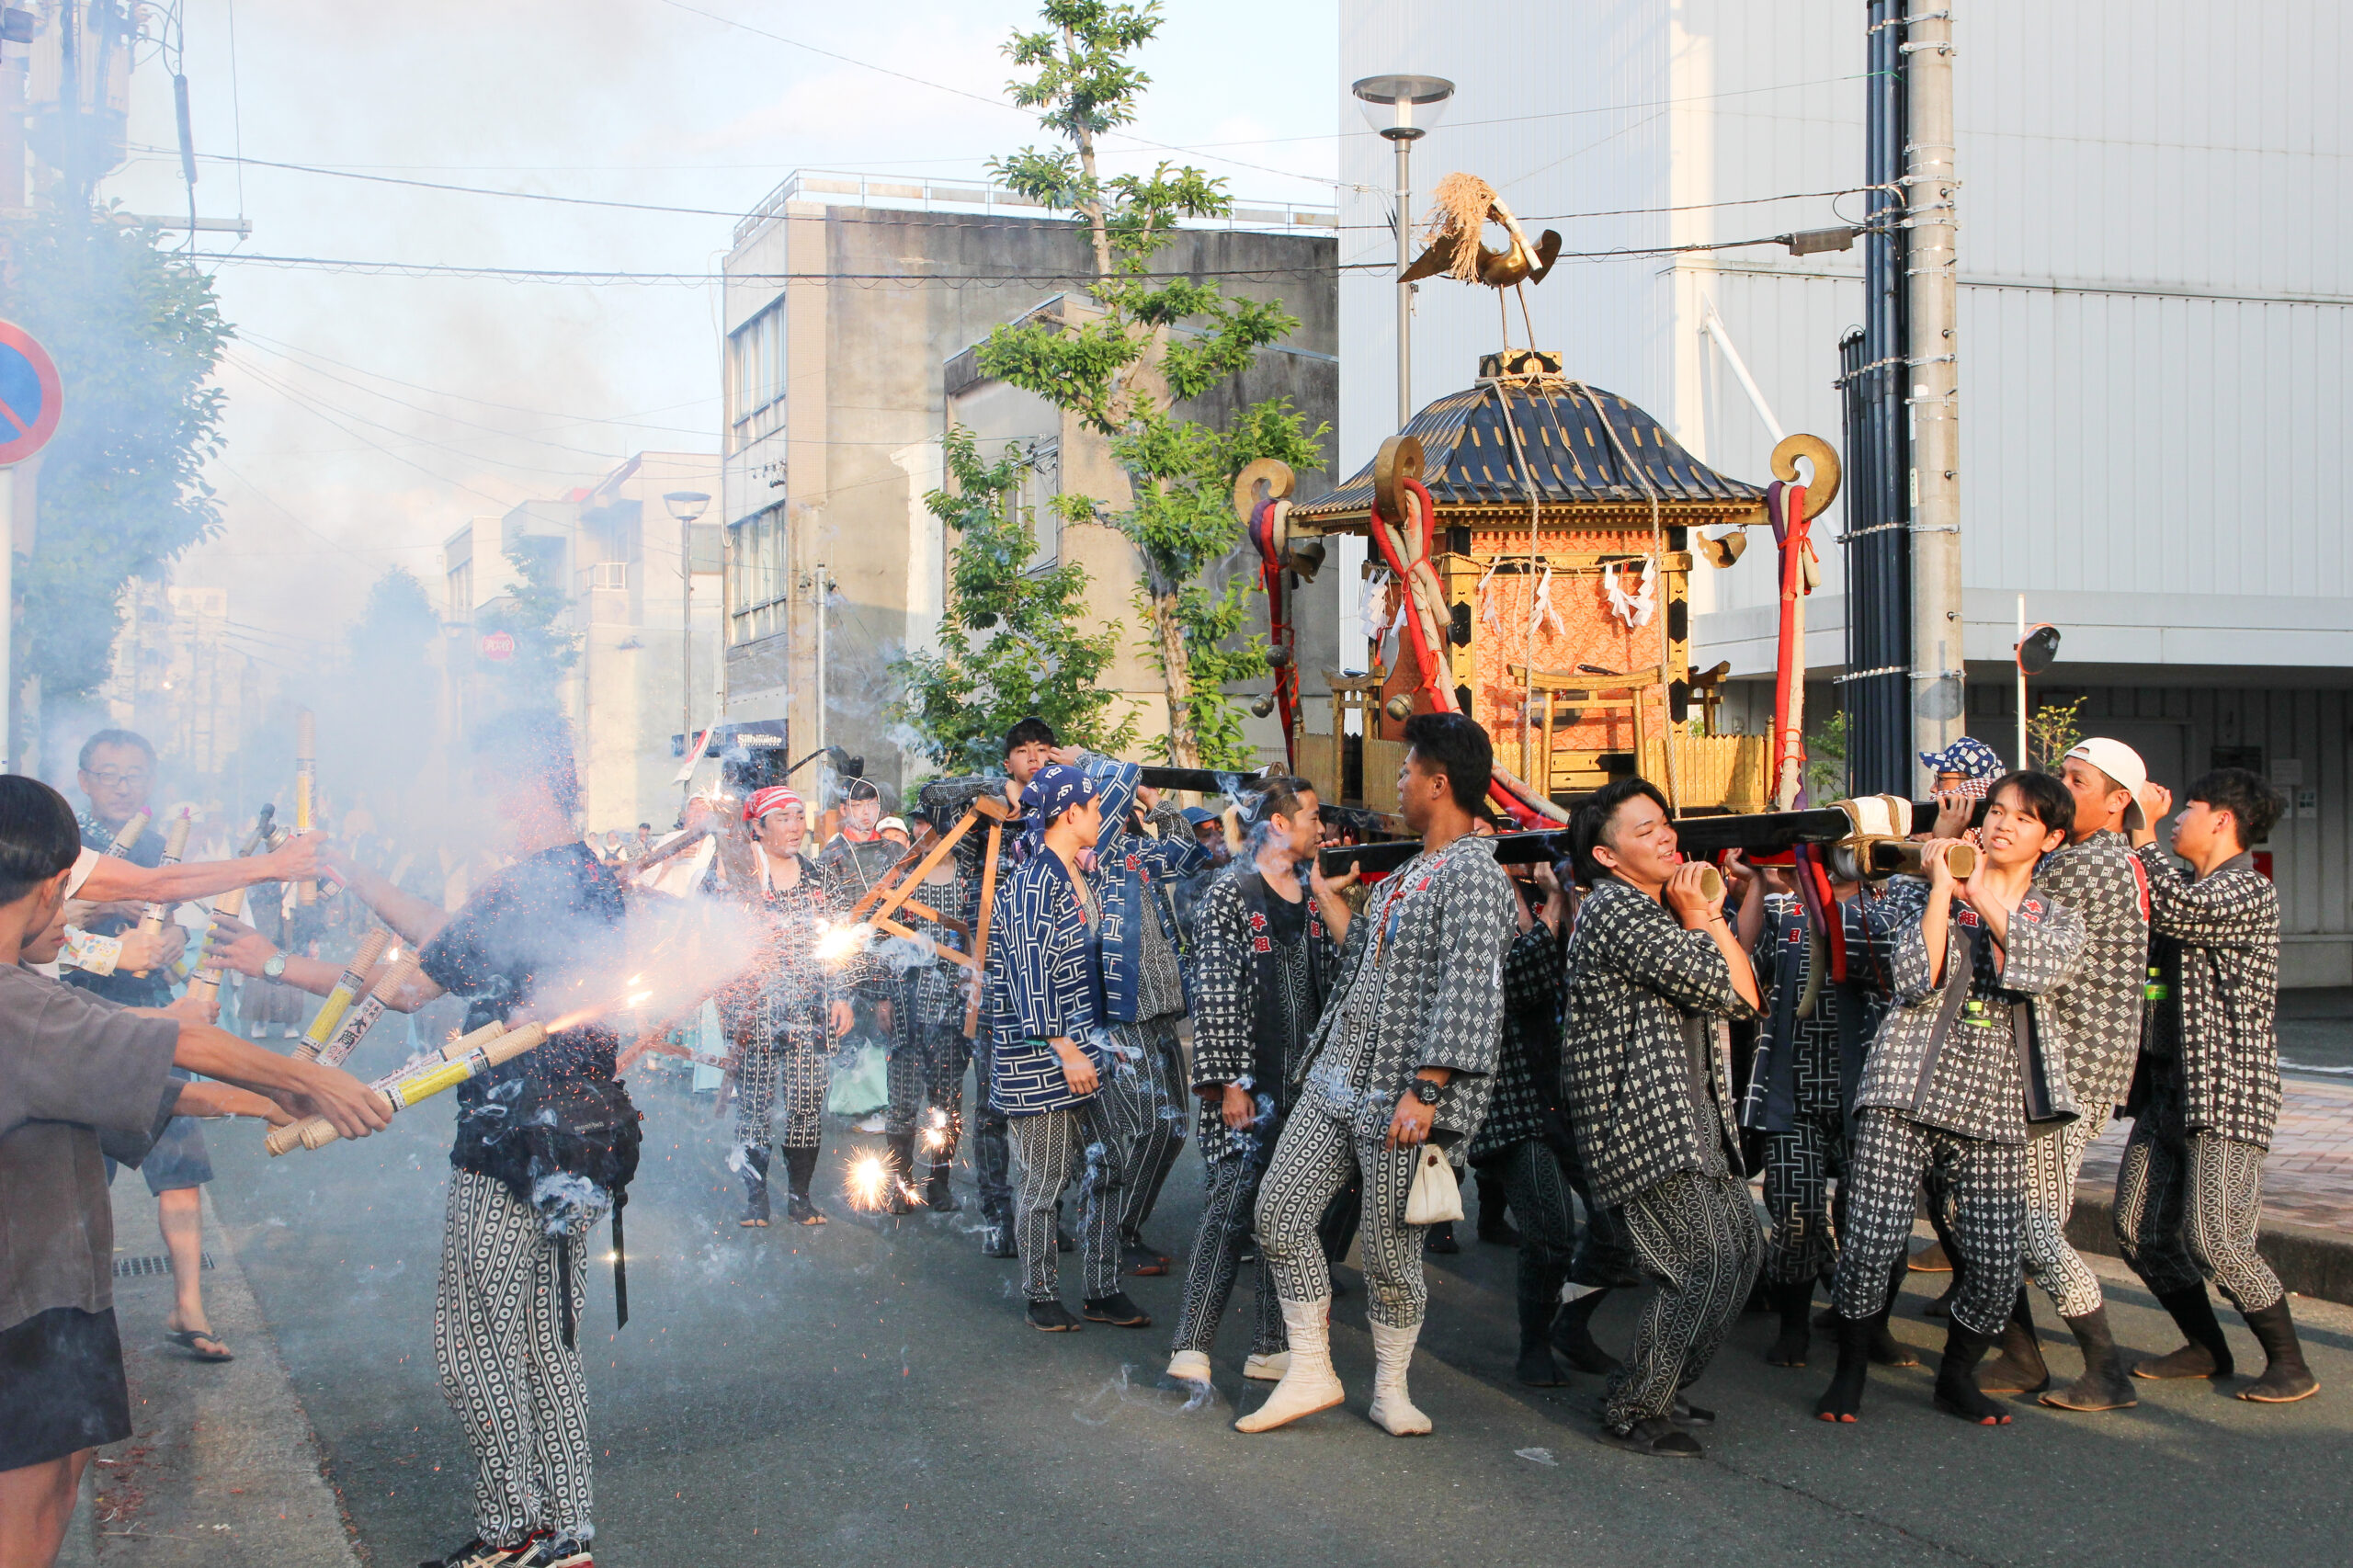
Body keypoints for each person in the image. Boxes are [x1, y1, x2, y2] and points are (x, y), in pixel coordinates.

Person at [233, 713, 632, 1568]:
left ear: (526, 783)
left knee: (474, 1343)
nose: (483, 804)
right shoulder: (581, 876)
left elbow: (410, 984)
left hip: (515, 1141)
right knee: (546, 1344)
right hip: (588, 1138)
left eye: (490, 785)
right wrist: (346, 875)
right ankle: (567, 1540)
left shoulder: (533, 883)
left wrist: (271, 963)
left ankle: (511, 1532)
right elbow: (438, 942)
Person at [0, 775, 385, 1568]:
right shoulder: (18, 1003)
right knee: (28, 1513)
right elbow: (177, 1044)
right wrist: (310, 1080)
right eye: (73, 898)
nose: (78, 917)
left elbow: (127, 1064)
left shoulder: (31, 1005)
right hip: (23, 1304)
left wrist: (257, 1106)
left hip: (52, 1287)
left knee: (60, 1480)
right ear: (46, 891)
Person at [1239, 713, 1515, 1437]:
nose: (1397, 782)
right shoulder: (1410, 873)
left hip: (1403, 1094)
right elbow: (1366, 956)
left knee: (1393, 1251)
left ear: (1438, 782)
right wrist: (1330, 896)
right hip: (1337, 1077)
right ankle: (1310, 1367)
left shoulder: (1475, 875)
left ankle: (1392, 1388)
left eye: (1405, 770)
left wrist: (1426, 1089)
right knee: (1279, 1210)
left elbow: (1471, 988)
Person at [1815, 772, 2086, 1428]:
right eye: (1996, 813)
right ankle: (1848, 1370)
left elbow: (2042, 968)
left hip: (1994, 1102)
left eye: (2022, 820)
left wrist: (1979, 892)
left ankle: (1955, 1376)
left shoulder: (2057, 918)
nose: (2001, 825)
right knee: (1873, 1242)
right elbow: (1911, 980)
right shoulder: (1927, 888)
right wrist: (1942, 890)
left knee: (1995, 1263)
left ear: (2049, 838)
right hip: (1904, 1086)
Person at [1557, 779, 1763, 1458]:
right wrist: (1706, 915)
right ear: (1608, 856)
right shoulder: (1617, 909)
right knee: (1701, 1263)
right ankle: (1635, 1402)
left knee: (1743, 1255)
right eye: (1644, 831)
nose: (1667, 837)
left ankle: (1662, 1385)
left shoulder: (1663, 911)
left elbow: (1747, 995)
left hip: (1696, 1117)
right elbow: (1727, 990)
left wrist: (1706, 913)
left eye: (1665, 824)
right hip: (1644, 1124)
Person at [2116, 768, 2314, 1403]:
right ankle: (2205, 1346)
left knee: (2218, 1240)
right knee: (2136, 1229)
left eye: (2191, 806)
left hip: (2227, 1092)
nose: (2178, 815)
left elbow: (2173, 910)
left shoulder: (2247, 890)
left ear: (2224, 820)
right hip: (2171, 1089)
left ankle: (2290, 1363)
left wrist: (2140, 832)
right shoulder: (2187, 883)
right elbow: (2156, 919)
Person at [1977, 739, 2154, 1409]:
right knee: (1982, 1212)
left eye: (2075, 781)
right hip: (2046, 1061)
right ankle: (2020, 1352)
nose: (2060, 787)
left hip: (2065, 1071)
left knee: (2029, 1223)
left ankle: (2103, 1366)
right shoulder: (2098, 858)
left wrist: (1958, 846)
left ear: (2116, 805)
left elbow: (2003, 895)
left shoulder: (2089, 866)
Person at [64, 728, 242, 1365]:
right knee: (86, 1170)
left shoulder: (161, 847)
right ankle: (81, 1308)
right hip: (79, 1013)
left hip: (152, 1012)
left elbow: (178, 930)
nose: (121, 785)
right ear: (84, 779)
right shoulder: (65, 845)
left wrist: (170, 948)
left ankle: (188, 1302)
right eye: (108, 773)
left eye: (134, 774)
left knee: (179, 1165)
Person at [1164, 779, 1347, 1387]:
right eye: (1313, 818)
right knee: (1229, 1208)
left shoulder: (1311, 893)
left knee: (1286, 1213)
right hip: (1246, 1087)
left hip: (1305, 1088)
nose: (1322, 829)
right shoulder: (1231, 894)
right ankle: (1191, 1345)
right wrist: (1230, 1083)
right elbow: (1215, 993)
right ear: (1278, 825)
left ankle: (1271, 1345)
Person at [1731, 853, 1924, 1373]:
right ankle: (1793, 1324)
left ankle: (1867, 1323)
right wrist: (1756, 885)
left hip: (1867, 1090)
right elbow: (1739, 962)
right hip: (1792, 1089)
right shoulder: (1781, 916)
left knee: (1877, 1218)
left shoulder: (1883, 917)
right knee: (1795, 1212)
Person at [984, 763, 1149, 1333]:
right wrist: (1064, 1047)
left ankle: (1102, 1289)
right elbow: (1027, 973)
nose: (1102, 815)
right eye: (1095, 806)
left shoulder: (1078, 871)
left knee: (1111, 1161)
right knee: (1046, 1179)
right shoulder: (1033, 881)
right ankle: (1040, 1293)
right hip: (1042, 1054)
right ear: (1070, 813)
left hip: (1089, 1048)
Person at [1069, 746, 1212, 1275]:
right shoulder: (1094, 852)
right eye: (1125, 794)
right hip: (1121, 1014)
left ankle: (1123, 1226)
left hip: (1160, 1010)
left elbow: (1190, 854)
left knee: (1173, 1127)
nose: (1131, 800)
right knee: (1147, 1125)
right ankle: (1111, 1229)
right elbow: (1106, 789)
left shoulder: (1132, 848)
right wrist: (1093, 760)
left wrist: (1157, 802)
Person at [1463, 856, 1586, 1387]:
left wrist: (1559, 895)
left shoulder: (1542, 911)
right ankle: (1534, 1343)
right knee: (1553, 1230)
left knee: (1614, 1230)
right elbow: (1520, 977)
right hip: (1513, 1109)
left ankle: (1573, 1326)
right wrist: (1552, 898)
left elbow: (1571, 956)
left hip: (1566, 1101)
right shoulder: (1476, 919)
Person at [723, 788, 854, 1225]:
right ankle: (755, 1197)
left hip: (810, 1012)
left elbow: (838, 942)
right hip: (753, 1013)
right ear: (757, 828)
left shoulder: (820, 877)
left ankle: (800, 1197)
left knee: (805, 1103)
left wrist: (840, 995)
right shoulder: (737, 880)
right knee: (755, 1105)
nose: (795, 826)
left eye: (799, 816)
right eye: (782, 818)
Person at [971, 717, 1060, 1254]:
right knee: (994, 1108)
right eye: (1023, 752)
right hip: (996, 984)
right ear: (1009, 761)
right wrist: (1009, 793)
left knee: (1055, 1107)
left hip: (1053, 985)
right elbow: (934, 794)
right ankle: (998, 1216)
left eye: (1042, 750)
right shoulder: (992, 812)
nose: (1034, 759)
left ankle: (1044, 1210)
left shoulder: (1070, 812)